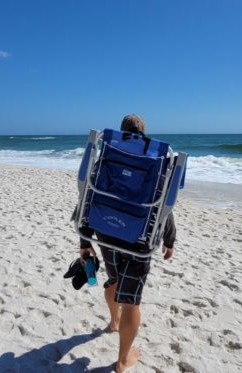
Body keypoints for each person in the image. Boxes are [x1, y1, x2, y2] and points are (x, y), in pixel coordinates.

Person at [78, 114, 177, 373]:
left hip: (106, 230)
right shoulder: (157, 160)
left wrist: (84, 239)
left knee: (113, 280)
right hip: (140, 238)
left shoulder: (108, 154)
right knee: (132, 299)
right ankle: (122, 362)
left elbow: (88, 193)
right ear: (144, 134)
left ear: (122, 133)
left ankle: (113, 322)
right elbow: (164, 206)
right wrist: (169, 241)